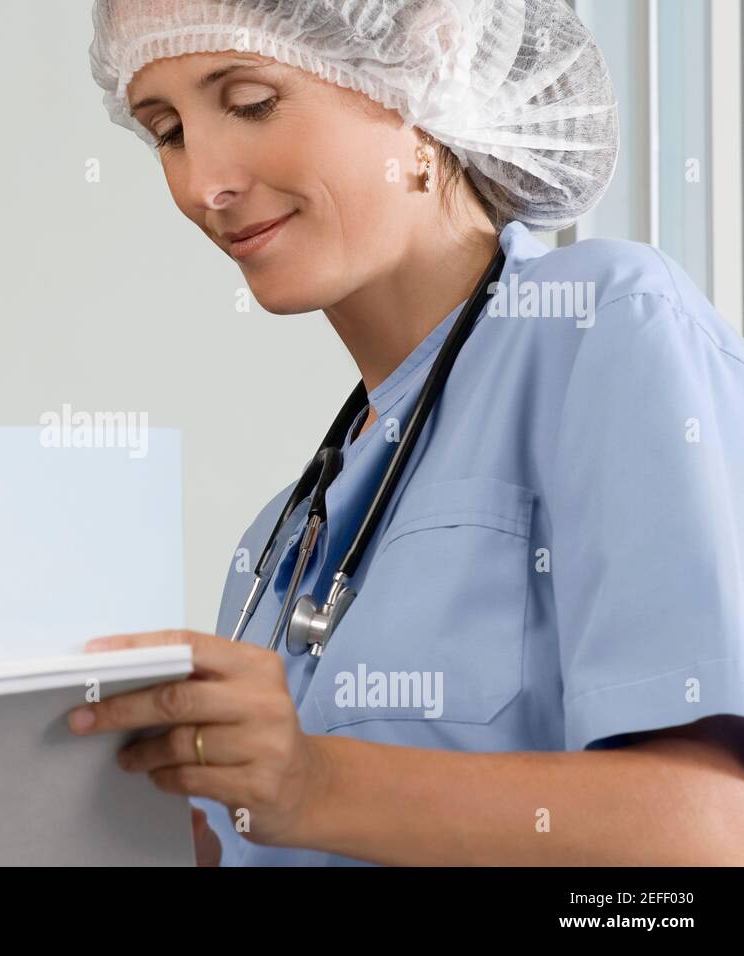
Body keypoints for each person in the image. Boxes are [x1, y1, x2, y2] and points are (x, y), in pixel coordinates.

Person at [69, 0, 744, 865]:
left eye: (249, 102)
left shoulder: (605, 326)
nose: (205, 185)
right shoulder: (284, 540)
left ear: (420, 68)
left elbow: (706, 840)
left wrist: (313, 787)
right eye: (167, 130)